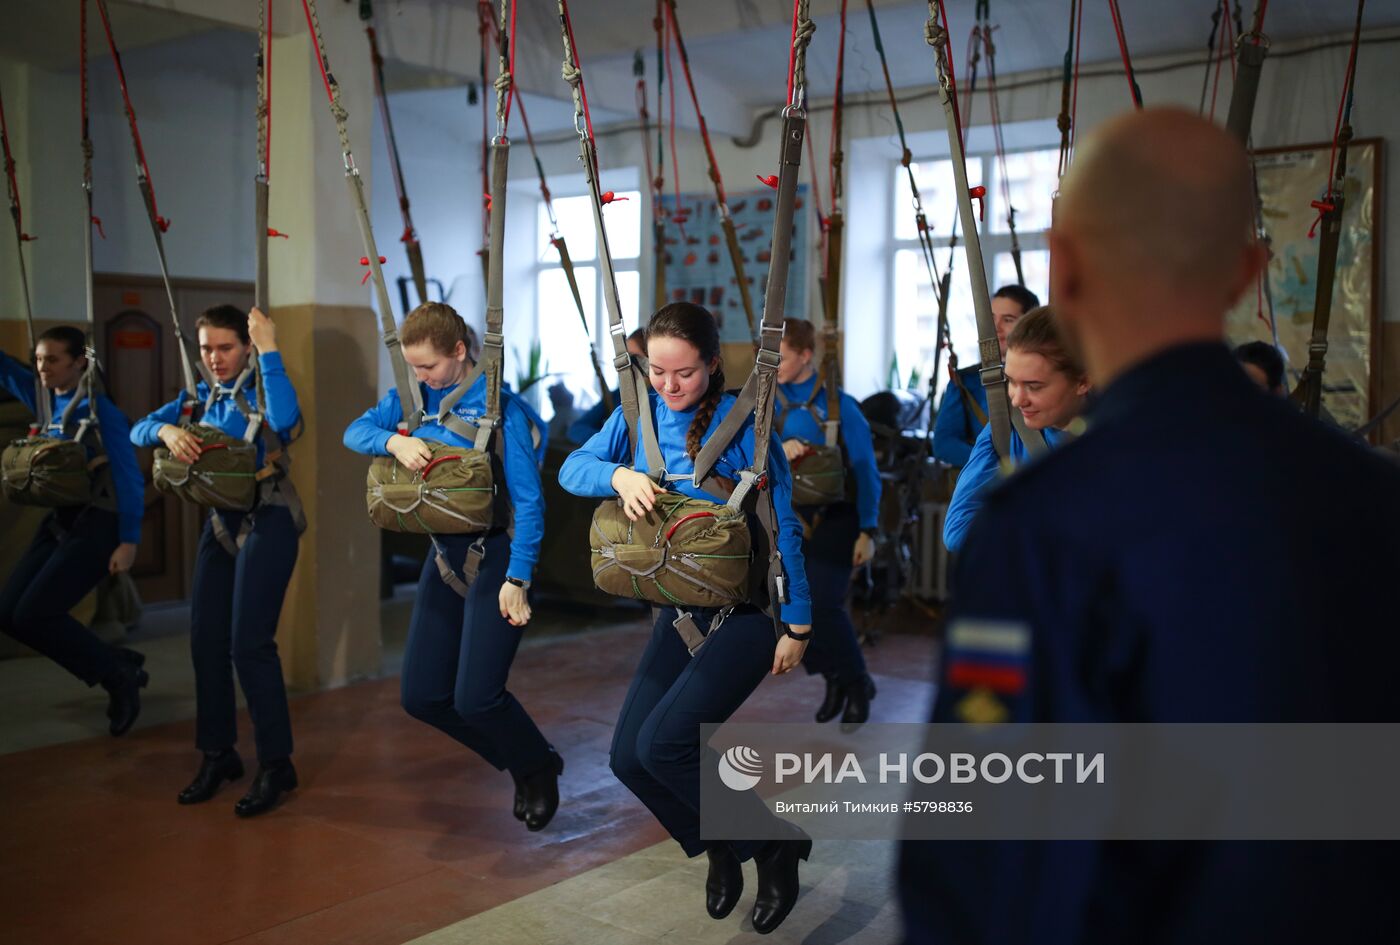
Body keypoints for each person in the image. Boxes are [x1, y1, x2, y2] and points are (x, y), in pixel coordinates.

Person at [898, 107, 1400, 944]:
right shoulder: (1373, 499)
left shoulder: (1040, 525)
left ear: (1065, 263)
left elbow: (976, 812)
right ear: (1247, 271)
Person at [559, 303, 815, 934]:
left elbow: (785, 526)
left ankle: (773, 845)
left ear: (712, 367)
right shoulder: (634, 418)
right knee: (627, 759)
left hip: (748, 614)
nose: (669, 387)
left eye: (685, 374)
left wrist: (800, 623)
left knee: (664, 745)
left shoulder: (747, 427)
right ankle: (721, 844)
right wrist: (618, 474)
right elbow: (571, 468)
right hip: (678, 614)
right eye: (657, 372)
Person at [343, 302, 562, 832]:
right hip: (444, 555)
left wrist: (520, 578)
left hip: (498, 556)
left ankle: (535, 767)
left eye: (428, 367)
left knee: (477, 696)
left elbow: (531, 506)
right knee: (421, 696)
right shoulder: (410, 400)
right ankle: (524, 757)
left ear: (459, 352)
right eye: (414, 368)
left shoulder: (500, 411)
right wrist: (394, 438)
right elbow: (354, 432)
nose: (419, 377)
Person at [131, 305, 302, 816]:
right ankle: (218, 754)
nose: (214, 358)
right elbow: (137, 427)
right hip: (220, 525)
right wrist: (165, 433)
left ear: (246, 347)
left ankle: (276, 764)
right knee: (206, 641)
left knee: (249, 644)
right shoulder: (199, 397)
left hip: (268, 520)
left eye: (226, 347)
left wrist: (270, 347)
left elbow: (289, 423)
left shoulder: (265, 391)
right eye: (206, 348)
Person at [0, 327, 147, 734]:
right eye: (39, 360)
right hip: (62, 520)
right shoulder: (47, 401)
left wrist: (129, 541)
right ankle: (116, 662)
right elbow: (7, 371)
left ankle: (118, 678)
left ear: (79, 362)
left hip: (102, 521)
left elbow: (129, 476)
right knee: (9, 613)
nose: (42, 368)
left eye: (52, 360)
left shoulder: (102, 413)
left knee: (35, 612)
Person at [774, 317, 881, 725]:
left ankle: (857, 682)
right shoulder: (763, 403)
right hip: (788, 519)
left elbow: (866, 471)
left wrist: (868, 530)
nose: (773, 364)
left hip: (837, 521)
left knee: (822, 605)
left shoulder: (840, 406)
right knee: (789, 608)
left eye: (781, 357)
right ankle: (832, 675)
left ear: (805, 355)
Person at [942, 306, 1090, 552]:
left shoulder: (1118, 432)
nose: (1017, 400)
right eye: (1011, 381)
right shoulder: (1006, 429)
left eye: (1034, 386)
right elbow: (958, 531)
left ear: (1083, 381)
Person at [930, 284, 1040, 469]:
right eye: (991, 318)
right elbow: (943, 444)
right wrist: (995, 464)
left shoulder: (1047, 377)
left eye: (1008, 319)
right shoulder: (966, 381)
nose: (996, 327)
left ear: (1029, 325)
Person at [567, 327, 647, 444]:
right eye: (624, 360)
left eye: (634, 360)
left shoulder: (662, 402)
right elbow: (576, 429)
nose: (627, 368)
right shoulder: (617, 396)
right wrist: (610, 440)